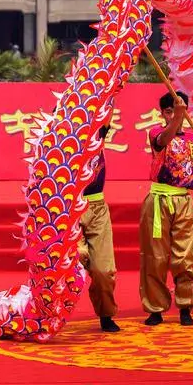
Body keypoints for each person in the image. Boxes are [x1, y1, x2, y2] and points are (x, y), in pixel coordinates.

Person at [139, 91, 193, 327]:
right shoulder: (156, 133)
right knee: (155, 256)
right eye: (169, 111)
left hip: (184, 202)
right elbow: (165, 140)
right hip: (159, 200)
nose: (174, 115)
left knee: (185, 256)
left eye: (178, 110)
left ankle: (186, 305)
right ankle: (155, 308)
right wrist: (177, 117)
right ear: (163, 112)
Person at [77, 124, 120, 332]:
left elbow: (107, 105)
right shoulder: (55, 143)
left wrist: (114, 90)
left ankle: (106, 314)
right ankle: (48, 316)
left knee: (103, 270)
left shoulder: (96, 131)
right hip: (68, 209)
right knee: (75, 259)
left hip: (97, 208)